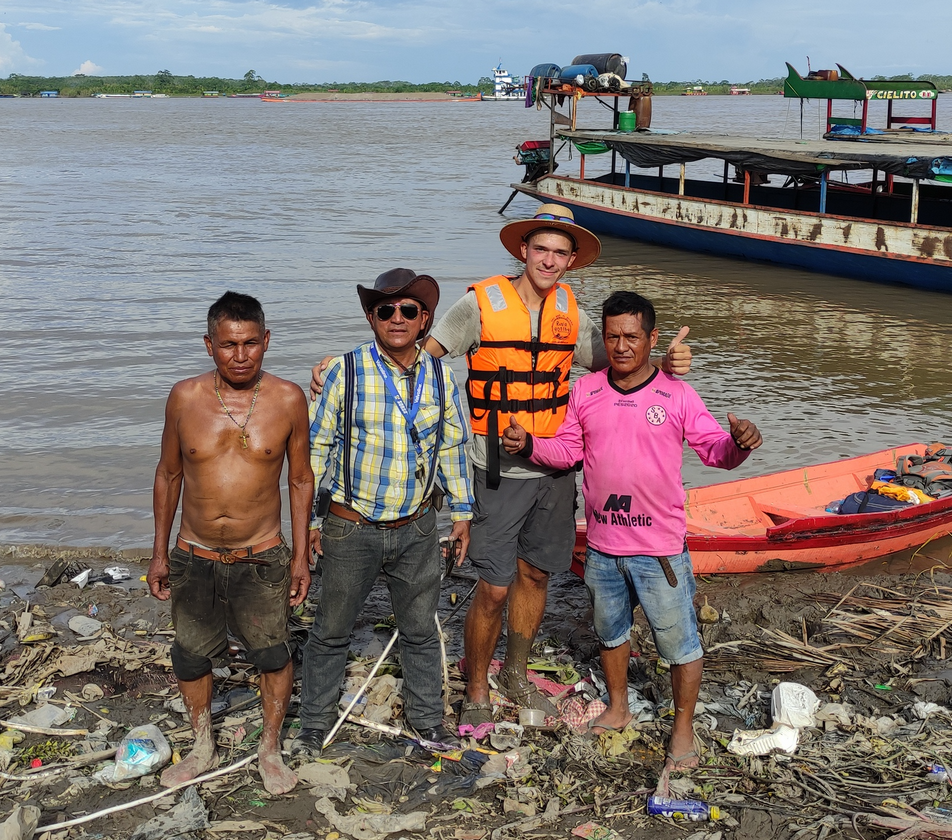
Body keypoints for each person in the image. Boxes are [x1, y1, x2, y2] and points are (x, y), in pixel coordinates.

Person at [310, 205, 692, 728]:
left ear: (572, 260)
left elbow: (621, 362)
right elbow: (418, 350)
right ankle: (475, 688)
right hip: (494, 465)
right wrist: (341, 366)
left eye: (560, 252)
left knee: (536, 573)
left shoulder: (573, 314)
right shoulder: (479, 304)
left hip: (555, 464)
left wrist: (667, 367)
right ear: (522, 251)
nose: (549, 260)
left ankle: (514, 672)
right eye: (541, 249)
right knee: (492, 585)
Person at [501, 290, 762, 794]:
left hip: (660, 550)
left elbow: (715, 451)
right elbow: (568, 450)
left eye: (632, 337)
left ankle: (682, 730)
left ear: (652, 339)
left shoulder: (678, 395)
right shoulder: (587, 391)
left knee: (679, 643)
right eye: (613, 336)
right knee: (611, 633)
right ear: (603, 337)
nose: (621, 346)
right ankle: (618, 706)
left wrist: (740, 443)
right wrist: (530, 444)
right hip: (602, 547)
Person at [293, 268, 475, 758]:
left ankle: (427, 723)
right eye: (386, 310)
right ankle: (313, 726)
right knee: (330, 630)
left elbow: (454, 445)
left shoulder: (441, 374)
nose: (397, 318)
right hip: (350, 528)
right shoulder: (342, 371)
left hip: (417, 527)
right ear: (371, 317)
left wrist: (462, 513)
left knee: (420, 630)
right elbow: (316, 451)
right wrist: (310, 522)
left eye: (409, 310)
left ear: (425, 320)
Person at [148, 292, 314, 795]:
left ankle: (270, 747)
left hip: (260, 554)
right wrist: (159, 552)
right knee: (191, 655)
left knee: (271, 652)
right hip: (193, 552)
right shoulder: (184, 397)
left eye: (249, 344)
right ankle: (202, 744)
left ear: (266, 341)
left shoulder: (287, 399)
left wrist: (301, 555)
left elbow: (301, 481)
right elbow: (169, 474)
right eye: (227, 346)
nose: (239, 356)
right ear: (208, 345)